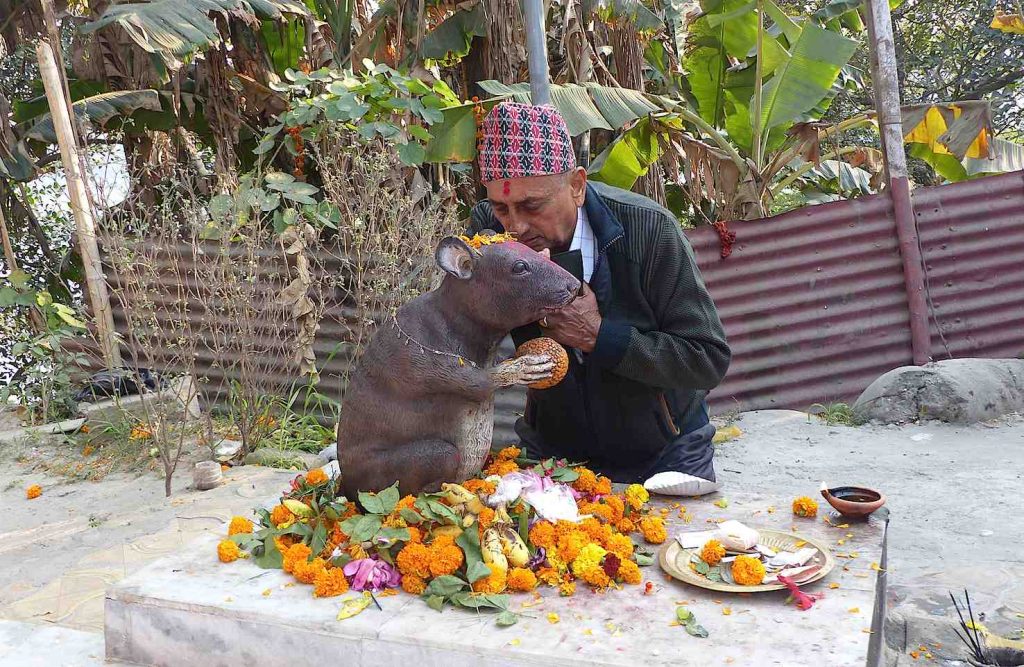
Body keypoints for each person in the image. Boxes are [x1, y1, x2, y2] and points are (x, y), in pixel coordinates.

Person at [468, 101, 731, 494]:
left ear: (576, 185)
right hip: (555, 455)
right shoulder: (491, 232)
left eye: (531, 205)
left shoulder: (649, 230)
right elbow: (469, 329)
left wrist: (597, 335)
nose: (516, 225)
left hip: (665, 455)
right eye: (501, 206)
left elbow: (706, 360)